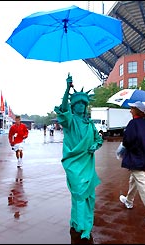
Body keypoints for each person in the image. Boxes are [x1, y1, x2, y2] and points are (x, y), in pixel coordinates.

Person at [54, 74, 103, 243]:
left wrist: (94, 146)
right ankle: (81, 225)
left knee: (88, 196)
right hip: (74, 164)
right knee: (79, 194)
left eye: (83, 103)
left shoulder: (90, 124)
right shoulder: (70, 121)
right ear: (73, 107)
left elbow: (98, 139)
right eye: (77, 104)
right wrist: (67, 88)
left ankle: (81, 224)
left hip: (88, 164)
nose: (81, 106)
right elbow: (62, 109)